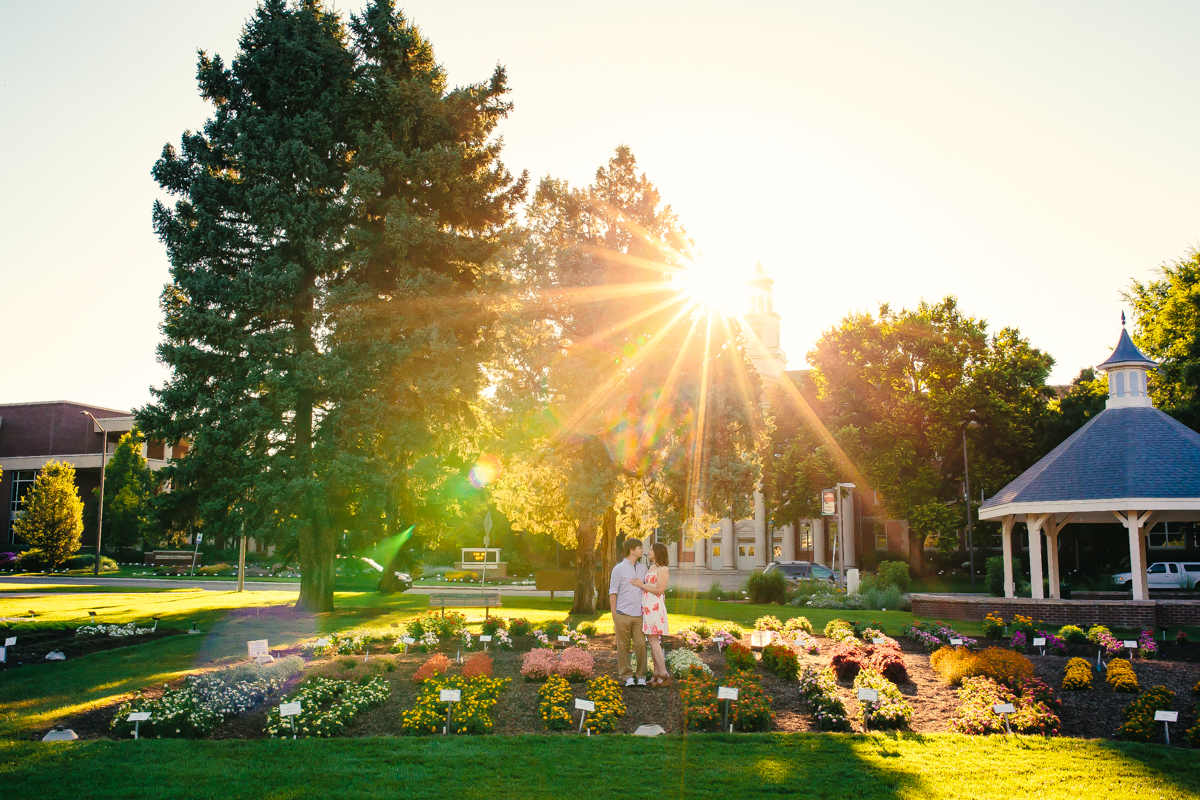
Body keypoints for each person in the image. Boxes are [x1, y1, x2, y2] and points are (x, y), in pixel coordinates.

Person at [609, 537, 648, 687]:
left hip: (639, 615)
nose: (642, 550)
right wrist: (614, 614)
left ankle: (641, 676)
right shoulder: (618, 569)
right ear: (632, 550)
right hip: (622, 614)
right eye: (639, 548)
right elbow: (613, 591)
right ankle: (627, 676)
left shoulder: (643, 569)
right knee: (623, 646)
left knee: (640, 645)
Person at [631, 542, 671, 686]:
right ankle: (656, 672)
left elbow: (660, 590)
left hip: (655, 607)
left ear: (657, 552)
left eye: (651, 550)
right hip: (647, 607)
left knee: (654, 641)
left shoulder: (663, 570)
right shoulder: (651, 568)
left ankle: (664, 673)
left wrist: (641, 585)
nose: (648, 551)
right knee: (652, 640)